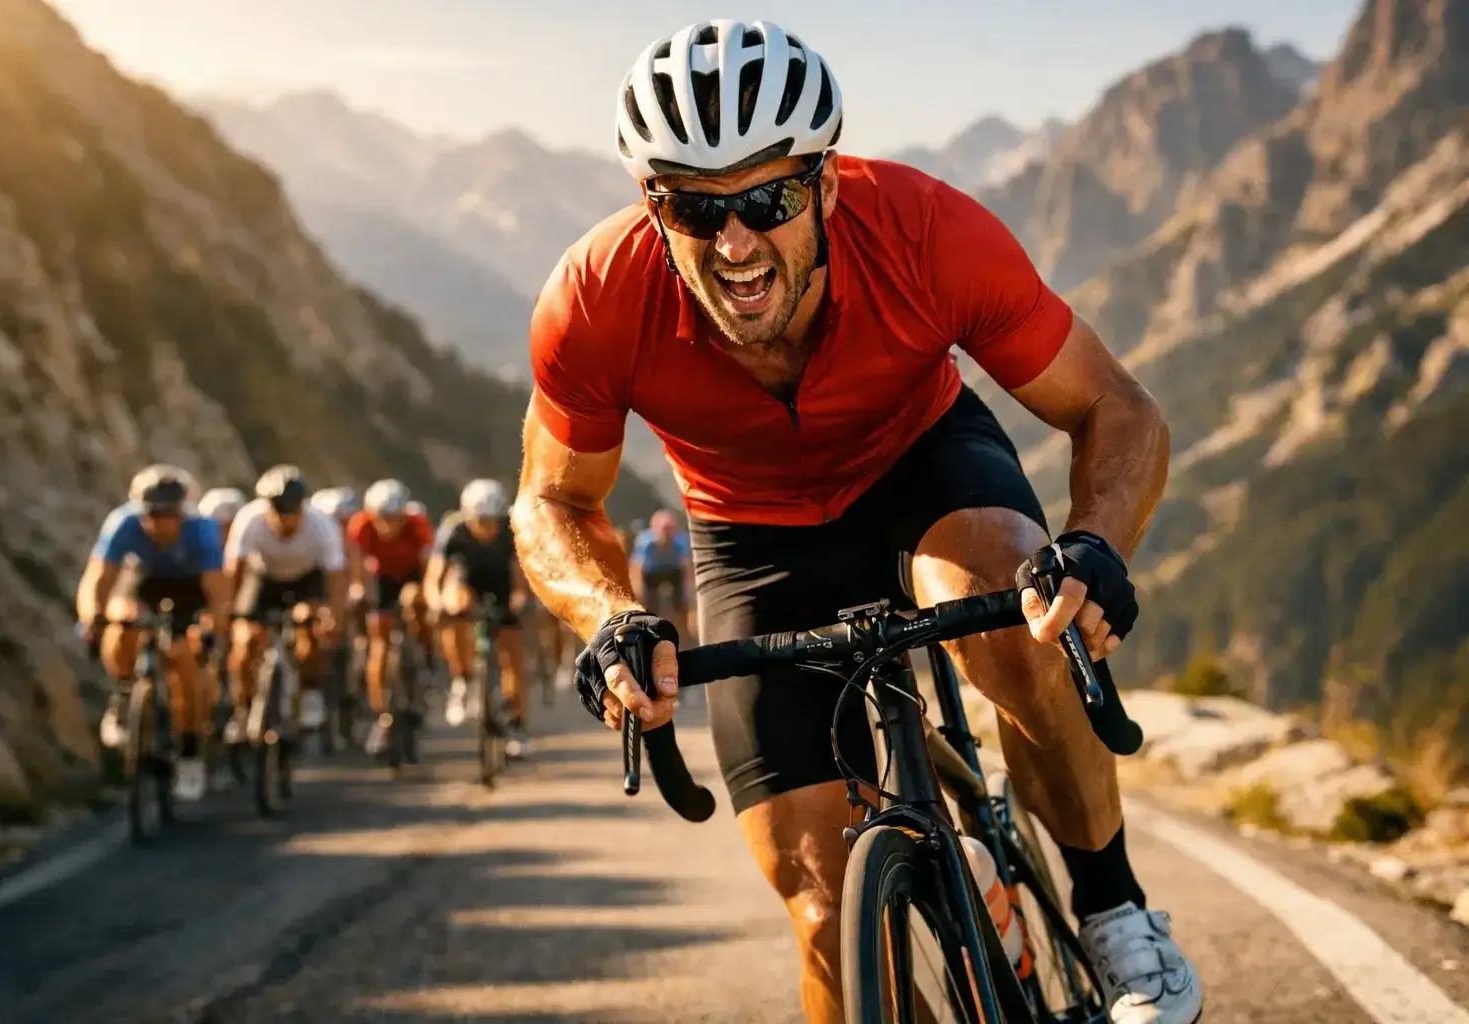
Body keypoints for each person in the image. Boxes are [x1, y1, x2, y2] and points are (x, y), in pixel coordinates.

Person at [511, 19, 1200, 1024]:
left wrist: (1093, 545)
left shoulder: (928, 233)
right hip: (749, 532)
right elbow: (554, 501)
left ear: (826, 184)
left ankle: (1115, 911)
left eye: (769, 197)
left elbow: (1117, 406)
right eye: (695, 209)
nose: (735, 242)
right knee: (825, 910)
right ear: (650, 205)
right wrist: (609, 616)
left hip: (920, 461)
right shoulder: (594, 299)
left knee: (1010, 626)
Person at [75, 464, 229, 801]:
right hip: (143, 583)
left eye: (167, 515)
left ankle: (190, 753)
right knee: (120, 621)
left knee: (186, 662)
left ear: (181, 513)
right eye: (151, 514)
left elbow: (217, 591)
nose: (158, 523)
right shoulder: (123, 524)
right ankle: (123, 694)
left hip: (189, 588)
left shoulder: (201, 530)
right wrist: (92, 619)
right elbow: (98, 578)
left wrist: (212, 628)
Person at [224, 465, 347, 739]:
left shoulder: (322, 525)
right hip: (264, 578)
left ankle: (311, 690)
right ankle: (242, 710)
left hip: (307, 580)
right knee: (244, 644)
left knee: (310, 632)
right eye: (279, 511)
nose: (286, 519)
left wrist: (332, 616)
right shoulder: (248, 520)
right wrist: (229, 612)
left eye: (293, 511)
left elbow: (337, 578)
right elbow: (234, 570)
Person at [424, 478, 532, 755]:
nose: (484, 527)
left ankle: (516, 723)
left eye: (490, 521)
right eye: (478, 521)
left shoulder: (512, 532)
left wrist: (520, 602)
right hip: (467, 584)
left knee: (513, 655)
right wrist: (437, 603)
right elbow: (435, 576)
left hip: (502, 583)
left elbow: (522, 577)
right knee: (452, 604)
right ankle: (462, 680)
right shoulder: (453, 530)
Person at [347, 479, 434, 750]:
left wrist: (422, 595)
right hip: (381, 579)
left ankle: (425, 652)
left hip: (411, 576)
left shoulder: (418, 524)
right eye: (383, 519)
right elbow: (357, 563)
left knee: (416, 605)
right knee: (379, 644)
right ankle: (381, 714)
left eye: (395, 519)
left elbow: (430, 565)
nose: (389, 526)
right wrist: (361, 591)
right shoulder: (360, 525)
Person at [629, 509, 694, 647]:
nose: (666, 535)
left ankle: (683, 640)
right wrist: (640, 591)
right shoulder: (645, 542)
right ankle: (649, 637)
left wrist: (687, 591)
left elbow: (686, 567)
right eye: (663, 530)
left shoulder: (681, 541)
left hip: (674, 571)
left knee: (681, 605)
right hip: (651, 573)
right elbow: (637, 567)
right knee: (648, 606)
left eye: (670, 530)